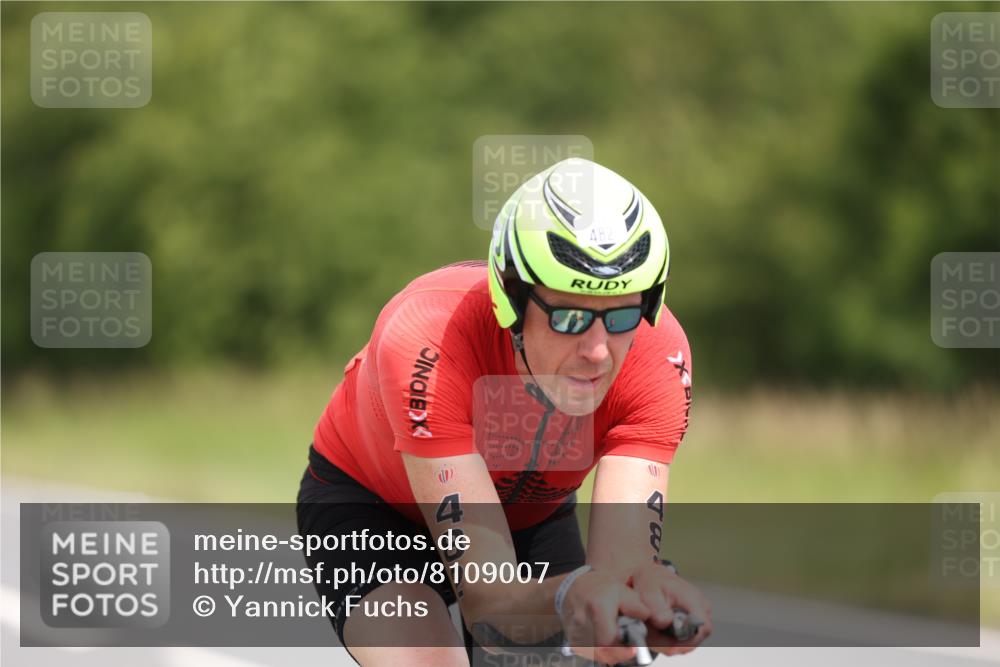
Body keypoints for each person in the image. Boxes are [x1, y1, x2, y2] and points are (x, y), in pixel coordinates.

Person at [297, 158, 712, 666]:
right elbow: (491, 607)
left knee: (609, 649)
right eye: (570, 317)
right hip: (374, 507)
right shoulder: (430, 338)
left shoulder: (657, 357)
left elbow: (619, 570)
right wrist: (568, 597)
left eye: (623, 314)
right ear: (511, 299)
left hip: (527, 510)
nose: (599, 351)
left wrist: (642, 595)